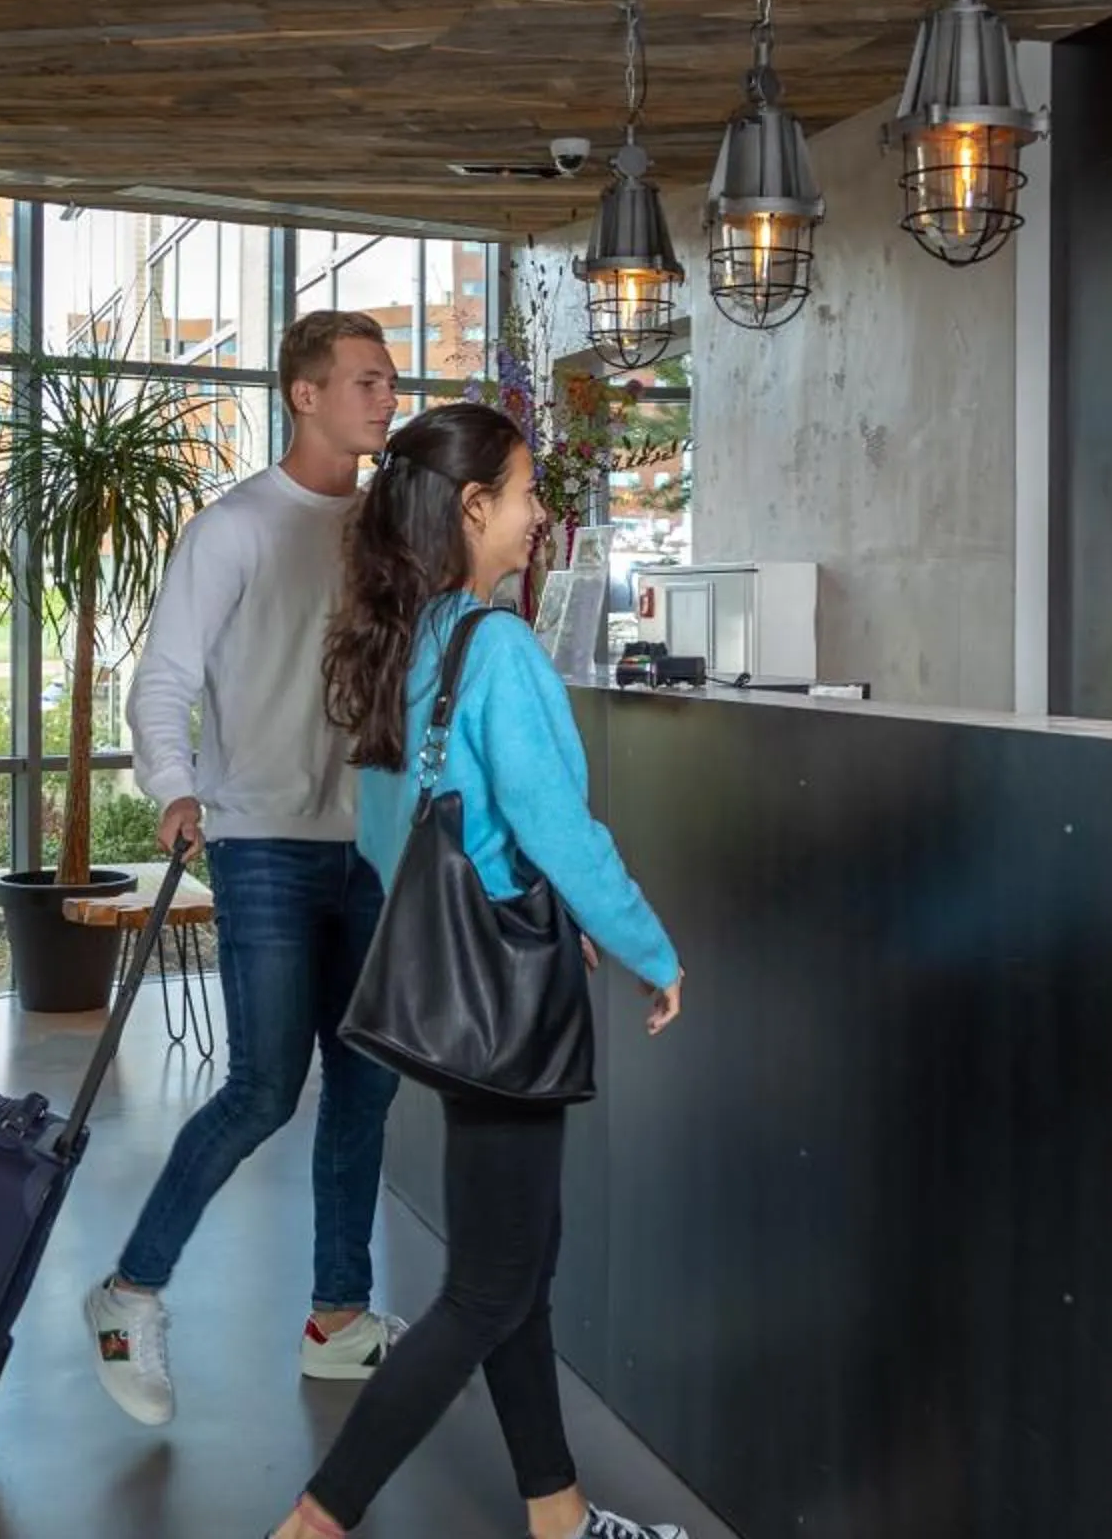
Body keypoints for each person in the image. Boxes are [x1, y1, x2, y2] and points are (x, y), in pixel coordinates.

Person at [270, 401, 689, 1539]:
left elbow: (389, 834)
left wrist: (508, 891)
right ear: (471, 508)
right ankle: (314, 1521)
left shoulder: (404, 641)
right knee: (487, 1289)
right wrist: (650, 947)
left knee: (517, 1271)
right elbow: (561, 829)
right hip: (509, 1003)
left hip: (444, 985)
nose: (539, 513)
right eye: (524, 491)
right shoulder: (496, 645)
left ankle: (559, 1514)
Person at [86, 309, 408, 1426]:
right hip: (260, 837)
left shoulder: (386, 531)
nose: (386, 397)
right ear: (304, 394)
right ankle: (130, 1293)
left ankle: (338, 1319)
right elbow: (164, 677)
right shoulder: (232, 528)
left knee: (365, 1086)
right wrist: (176, 787)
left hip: (369, 842)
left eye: (390, 380)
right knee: (265, 1087)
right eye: (366, 380)